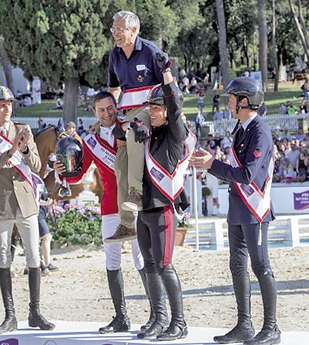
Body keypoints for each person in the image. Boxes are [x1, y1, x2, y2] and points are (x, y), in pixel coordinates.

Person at [54, 91, 159, 335]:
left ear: (116, 107)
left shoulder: (130, 129)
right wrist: (62, 171)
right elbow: (78, 174)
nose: (106, 113)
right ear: (95, 113)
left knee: (142, 259)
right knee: (112, 262)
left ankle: (156, 315)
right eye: (101, 110)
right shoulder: (91, 141)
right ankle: (121, 317)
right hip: (110, 207)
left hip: (134, 204)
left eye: (110, 108)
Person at [190, 77, 281, 345]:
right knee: (237, 266)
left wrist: (212, 164)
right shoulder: (242, 128)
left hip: (255, 210)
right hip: (238, 209)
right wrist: (211, 163)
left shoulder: (260, 132)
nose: (228, 102)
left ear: (244, 101)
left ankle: (272, 328)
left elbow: (247, 175)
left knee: (261, 266)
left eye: (232, 98)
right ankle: (244, 325)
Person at [0, 86, 54, 334]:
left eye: (9, 104)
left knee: (33, 257)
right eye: (2, 105)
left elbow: (38, 165)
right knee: (3, 259)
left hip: (27, 201)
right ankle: (10, 316)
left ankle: (35, 312)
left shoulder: (22, 130)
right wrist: (10, 152)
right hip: (1, 202)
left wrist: (26, 148)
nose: (7, 109)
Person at [129, 51, 195, 341]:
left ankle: (179, 323)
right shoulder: (152, 133)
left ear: (166, 111)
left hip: (163, 208)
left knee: (165, 265)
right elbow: (135, 124)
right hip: (144, 207)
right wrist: (137, 128)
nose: (151, 111)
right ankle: (159, 319)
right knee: (149, 264)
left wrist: (166, 71)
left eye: (156, 108)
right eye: (150, 107)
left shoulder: (175, 133)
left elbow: (175, 104)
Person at [106, 10, 165, 242]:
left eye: (119, 30)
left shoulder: (151, 51)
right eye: (113, 30)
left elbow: (168, 86)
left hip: (150, 109)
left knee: (133, 132)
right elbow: (113, 90)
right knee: (119, 164)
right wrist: (107, 116)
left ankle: (137, 192)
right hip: (126, 113)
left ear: (134, 30)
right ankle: (127, 224)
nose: (115, 34)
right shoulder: (114, 55)